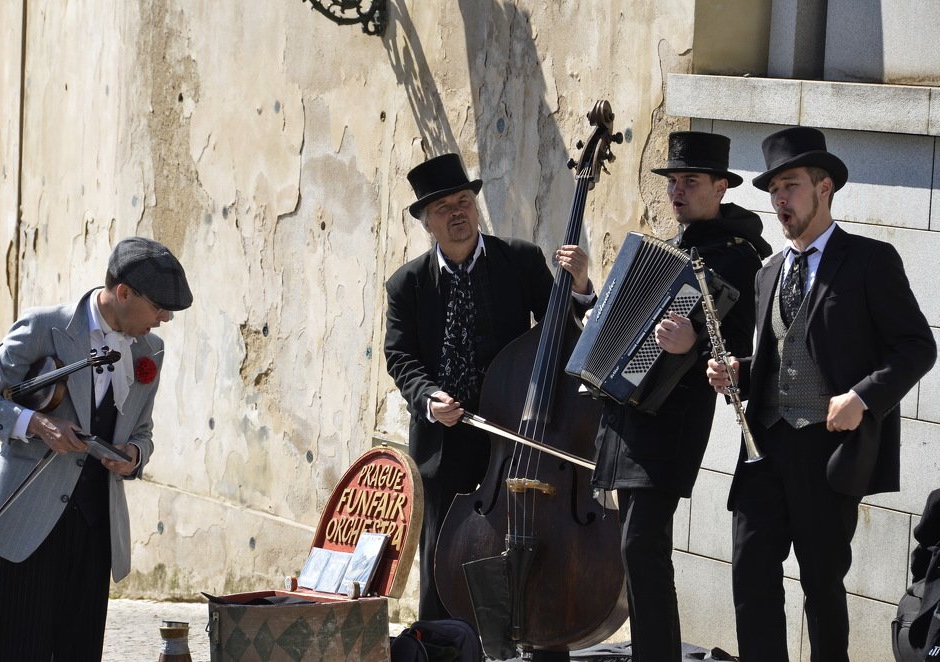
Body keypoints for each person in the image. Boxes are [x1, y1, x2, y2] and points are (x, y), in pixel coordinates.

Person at [706, 126, 936, 660]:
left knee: (822, 587)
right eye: (773, 191)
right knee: (750, 574)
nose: (779, 200)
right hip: (764, 448)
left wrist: (862, 397)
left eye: (790, 186)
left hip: (826, 451)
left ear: (824, 187)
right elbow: (779, 356)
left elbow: (917, 347)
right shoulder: (767, 273)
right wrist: (735, 372)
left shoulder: (870, 261)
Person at [383, 153, 592, 642]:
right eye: (442, 209)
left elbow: (564, 331)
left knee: (518, 545)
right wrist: (429, 397)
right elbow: (401, 358)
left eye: (464, 201)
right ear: (426, 223)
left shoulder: (518, 260)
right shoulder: (406, 285)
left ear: (475, 207)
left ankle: (522, 640)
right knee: (444, 551)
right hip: (447, 438)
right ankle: (441, 646)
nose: (457, 214)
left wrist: (580, 288)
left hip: (516, 435)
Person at [0, 236, 193, 661]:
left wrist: (134, 456)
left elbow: (143, 431)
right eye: (159, 306)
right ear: (123, 292)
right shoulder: (45, 327)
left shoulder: (150, 351)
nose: (164, 319)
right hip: (28, 521)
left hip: (95, 529)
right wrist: (36, 423)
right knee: (10, 649)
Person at [589, 131, 771, 661]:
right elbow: (624, 325)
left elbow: (750, 347)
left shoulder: (742, 258)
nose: (677, 191)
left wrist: (693, 346)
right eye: (672, 182)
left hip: (674, 423)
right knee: (637, 552)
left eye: (690, 181)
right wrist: (588, 296)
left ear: (720, 187)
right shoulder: (674, 248)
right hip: (629, 421)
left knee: (640, 548)